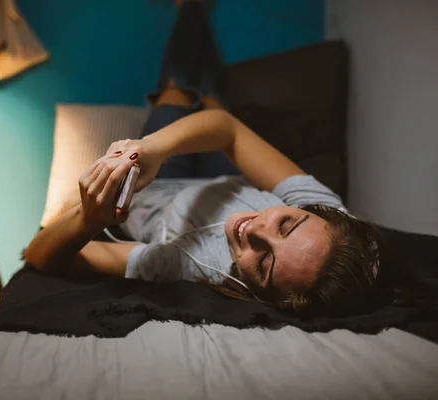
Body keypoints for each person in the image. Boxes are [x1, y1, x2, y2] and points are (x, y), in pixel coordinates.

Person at [24, 0, 381, 317]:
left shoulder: (192, 266)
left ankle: (189, 10)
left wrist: (87, 219)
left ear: (259, 293)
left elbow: (37, 256)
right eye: (285, 225)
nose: (254, 229)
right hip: (215, 176)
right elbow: (226, 130)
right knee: (212, 108)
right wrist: (154, 149)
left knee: (177, 91)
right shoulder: (329, 223)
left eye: (265, 263)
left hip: (157, 186)